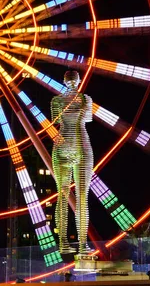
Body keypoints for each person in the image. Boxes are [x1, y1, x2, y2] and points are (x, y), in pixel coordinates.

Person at [51, 70, 93, 254]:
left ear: (63, 80)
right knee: (82, 197)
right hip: (81, 144)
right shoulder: (86, 100)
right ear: (79, 80)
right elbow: (86, 119)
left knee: (62, 195)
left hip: (61, 144)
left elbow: (55, 121)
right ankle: (83, 245)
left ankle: (63, 243)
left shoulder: (56, 101)